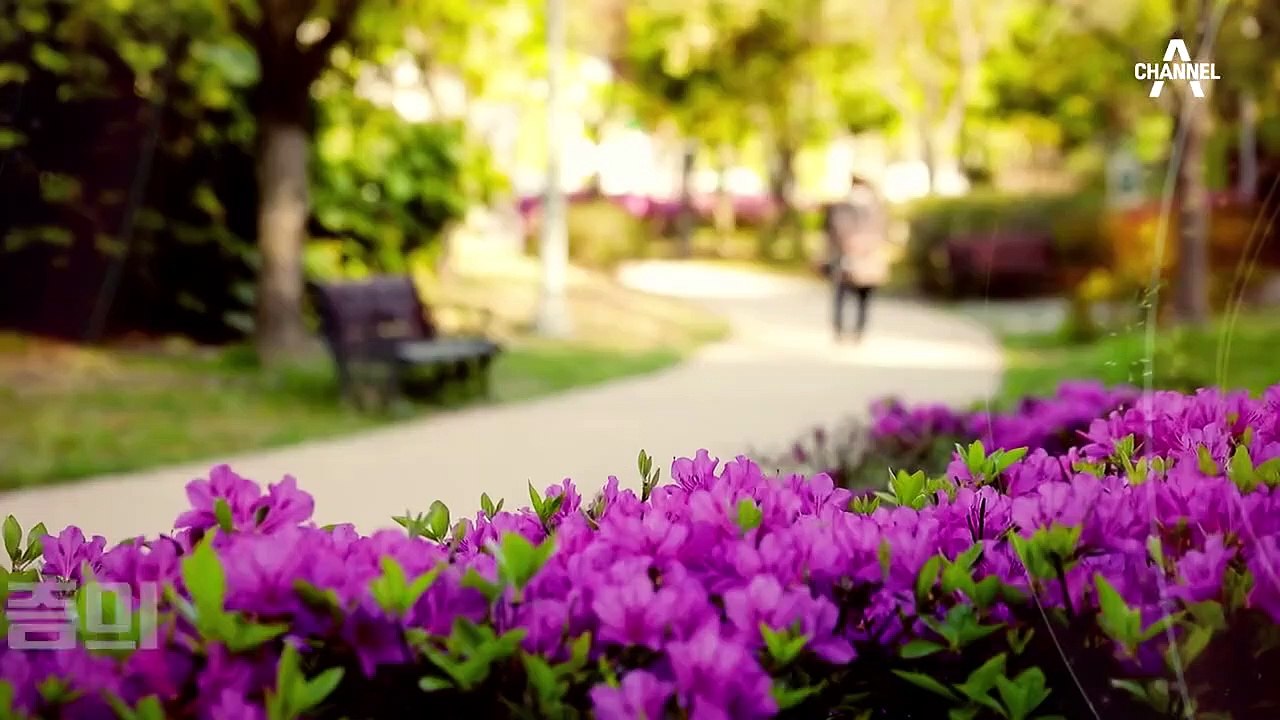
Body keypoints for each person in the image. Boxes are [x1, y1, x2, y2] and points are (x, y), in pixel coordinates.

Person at [824, 175, 890, 343]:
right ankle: (841, 330)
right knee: (842, 296)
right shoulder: (845, 207)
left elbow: (882, 232)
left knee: (862, 298)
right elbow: (836, 229)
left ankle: (858, 331)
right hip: (846, 259)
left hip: (867, 261)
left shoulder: (875, 208)